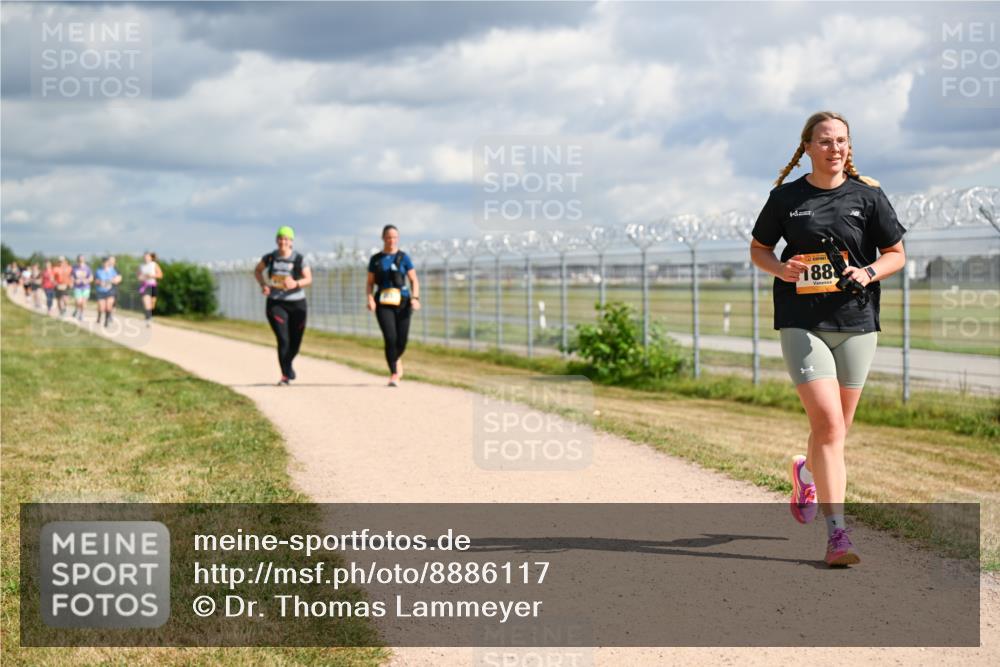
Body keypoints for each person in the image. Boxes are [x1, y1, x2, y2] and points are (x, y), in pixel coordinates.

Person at [750, 111, 906, 567]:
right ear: (808, 147)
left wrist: (868, 271)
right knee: (830, 426)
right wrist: (780, 268)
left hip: (857, 322)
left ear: (848, 146)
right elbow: (759, 249)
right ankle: (838, 534)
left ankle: (806, 474)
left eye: (841, 140)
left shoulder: (868, 196)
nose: (834, 148)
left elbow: (896, 254)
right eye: (825, 141)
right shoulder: (786, 198)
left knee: (835, 429)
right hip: (801, 321)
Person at [254, 226, 312, 385]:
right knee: (283, 339)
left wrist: (295, 283)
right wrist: (263, 284)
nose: (283, 242)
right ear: (276, 240)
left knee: (295, 342)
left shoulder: (299, 259)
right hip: (276, 303)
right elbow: (258, 271)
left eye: (286, 239)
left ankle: (288, 365)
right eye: (280, 238)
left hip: (297, 303)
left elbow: (308, 279)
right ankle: (285, 375)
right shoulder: (270, 258)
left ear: (291, 241)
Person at [367, 224, 420, 387]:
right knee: (390, 338)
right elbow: (370, 283)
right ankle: (394, 373)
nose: (391, 240)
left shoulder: (404, 258)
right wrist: (370, 298)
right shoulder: (376, 259)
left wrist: (415, 298)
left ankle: (396, 358)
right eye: (388, 237)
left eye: (394, 237)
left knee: (402, 340)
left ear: (398, 239)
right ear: (383, 238)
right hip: (383, 302)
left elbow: (414, 280)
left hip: (403, 302)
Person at [94, 256, 122, 327]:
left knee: (108, 306)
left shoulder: (112, 270)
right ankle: (99, 316)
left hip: (110, 290)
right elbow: (95, 280)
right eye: (104, 262)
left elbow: (117, 278)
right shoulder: (98, 271)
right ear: (102, 263)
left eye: (107, 262)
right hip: (101, 291)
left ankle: (106, 321)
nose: (105, 264)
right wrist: (100, 282)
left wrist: (114, 280)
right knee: (102, 308)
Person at [137, 251, 163, 326]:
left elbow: (160, 275)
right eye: (145, 256)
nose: (146, 258)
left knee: (152, 304)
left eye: (148, 256)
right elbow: (138, 276)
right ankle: (147, 319)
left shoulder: (154, 265)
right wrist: (141, 277)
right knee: (146, 303)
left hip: (153, 285)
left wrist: (152, 275)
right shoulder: (141, 266)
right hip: (145, 286)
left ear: (151, 257)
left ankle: (149, 316)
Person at [70, 255, 93, 321]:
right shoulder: (74, 268)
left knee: (83, 303)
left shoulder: (87, 268)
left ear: (84, 260)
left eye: (82, 260)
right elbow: (71, 276)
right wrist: (75, 280)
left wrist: (87, 280)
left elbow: (91, 277)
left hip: (86, 287)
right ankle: (76, 309)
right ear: (77, 260)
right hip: (77, 287)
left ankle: (81, 314)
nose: (81, 261)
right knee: (78, 302)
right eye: (79, 260)